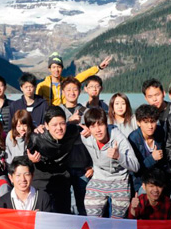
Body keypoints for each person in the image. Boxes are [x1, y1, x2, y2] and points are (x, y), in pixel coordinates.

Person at [81, 108, 139, 219]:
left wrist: (119, 156)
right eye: (93, 126)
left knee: (117, 224)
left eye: (101, 125)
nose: (98, 130)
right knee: (92, 221)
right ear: (88, 128)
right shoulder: (86, 137)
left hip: (119, 180)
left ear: (106, 124)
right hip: (99, 179)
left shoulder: (118, 138)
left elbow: (135, 166)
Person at [27, 106, 80, 214]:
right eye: (54, 125)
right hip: (41, 179)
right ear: (46, 125)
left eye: (62, 123)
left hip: (62, 178)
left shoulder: (72, 131)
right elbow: (26, 157)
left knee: (63, 215)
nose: (59, 128)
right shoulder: (37, 137)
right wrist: (31, 159)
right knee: (42, 215)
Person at [59, 76, 93, 215]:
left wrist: (93, 166)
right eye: (68, 90)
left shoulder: (87, 112)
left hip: (83, 168)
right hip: (63, 167)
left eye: (75, 89)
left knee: (83, 206)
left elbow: (96, 141)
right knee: (65, 206)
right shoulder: (57, 112)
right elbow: (52, 136)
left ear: (79, 92)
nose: (72, 92)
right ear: (62, 92)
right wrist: (68, 123)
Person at [36, 52, 112, 106]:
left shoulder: (67, 83)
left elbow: (83, 75)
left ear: (62, 68)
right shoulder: (42, 86)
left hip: (65, 114)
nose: (56, 70)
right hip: (49, 117)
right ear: (49, 69)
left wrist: (98, 68)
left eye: (59, 67)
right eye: (54, 67)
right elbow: (37, 104)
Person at [128, 104, 168, 192]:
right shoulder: (133, 138)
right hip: (140, 182)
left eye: (153, 121)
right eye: (145, 122)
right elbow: (134, 169)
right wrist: (152, 158)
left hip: (159, 181)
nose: (150, 126)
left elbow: (165, 159)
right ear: (138, 123)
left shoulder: (160, 132)